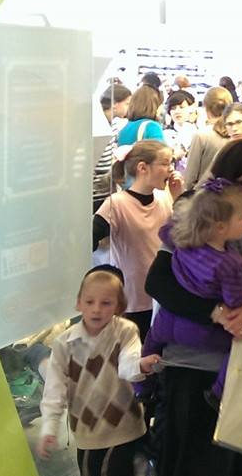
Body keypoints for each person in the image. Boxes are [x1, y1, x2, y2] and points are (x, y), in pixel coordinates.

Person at [145, 139, 242, 476]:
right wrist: (216, 313)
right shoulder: (196, 209)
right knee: (195, 461)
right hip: (196, 365)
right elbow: (158, 282)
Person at [37, 267, 160, 476]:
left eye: (106, 303)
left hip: (126, 427)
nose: (96, 309)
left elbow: (127, 363)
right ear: (78, 303)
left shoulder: (126, 331)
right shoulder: (64, 343)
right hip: (89, 434)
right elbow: (54, 390)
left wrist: (140, 365)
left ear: (119, 306)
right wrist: (49, 426)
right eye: (89, 302)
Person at [143, 178, 242, 408]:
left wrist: (188, 220)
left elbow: (165, 231)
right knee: (238, 348)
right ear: (221, 227)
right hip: (201, 332)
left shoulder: (185, 241)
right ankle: (217, 392)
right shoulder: (229, 263)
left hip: (167, 320)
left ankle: (141, 386)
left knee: (150, 344)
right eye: (241, 218)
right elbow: (234, 300)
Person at [94, 140, 184, 339]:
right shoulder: (117, 204)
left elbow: (183, 236)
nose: (171, 169)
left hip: (165, 293)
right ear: (143, 168)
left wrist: (179, 198)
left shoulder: (164, 197)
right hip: (134, 299)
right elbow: (90, 239)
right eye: (165, 163)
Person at [93, 83, 132, 212]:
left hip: (107, 190)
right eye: (127, 103)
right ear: (114, 104)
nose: (129, 107)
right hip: (94, 193)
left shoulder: (115, 125)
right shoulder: (97, 126)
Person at [185, 86, 233, 187]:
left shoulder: (201, 136)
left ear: (206, 108)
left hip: (204, 194)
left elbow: (189, 180)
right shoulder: (237, 133)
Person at [163, 90, 197, 174]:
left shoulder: (197, 132)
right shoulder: (165, 134)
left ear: (191, 109)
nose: (177, 111)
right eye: (173, 108)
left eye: (182, 107)